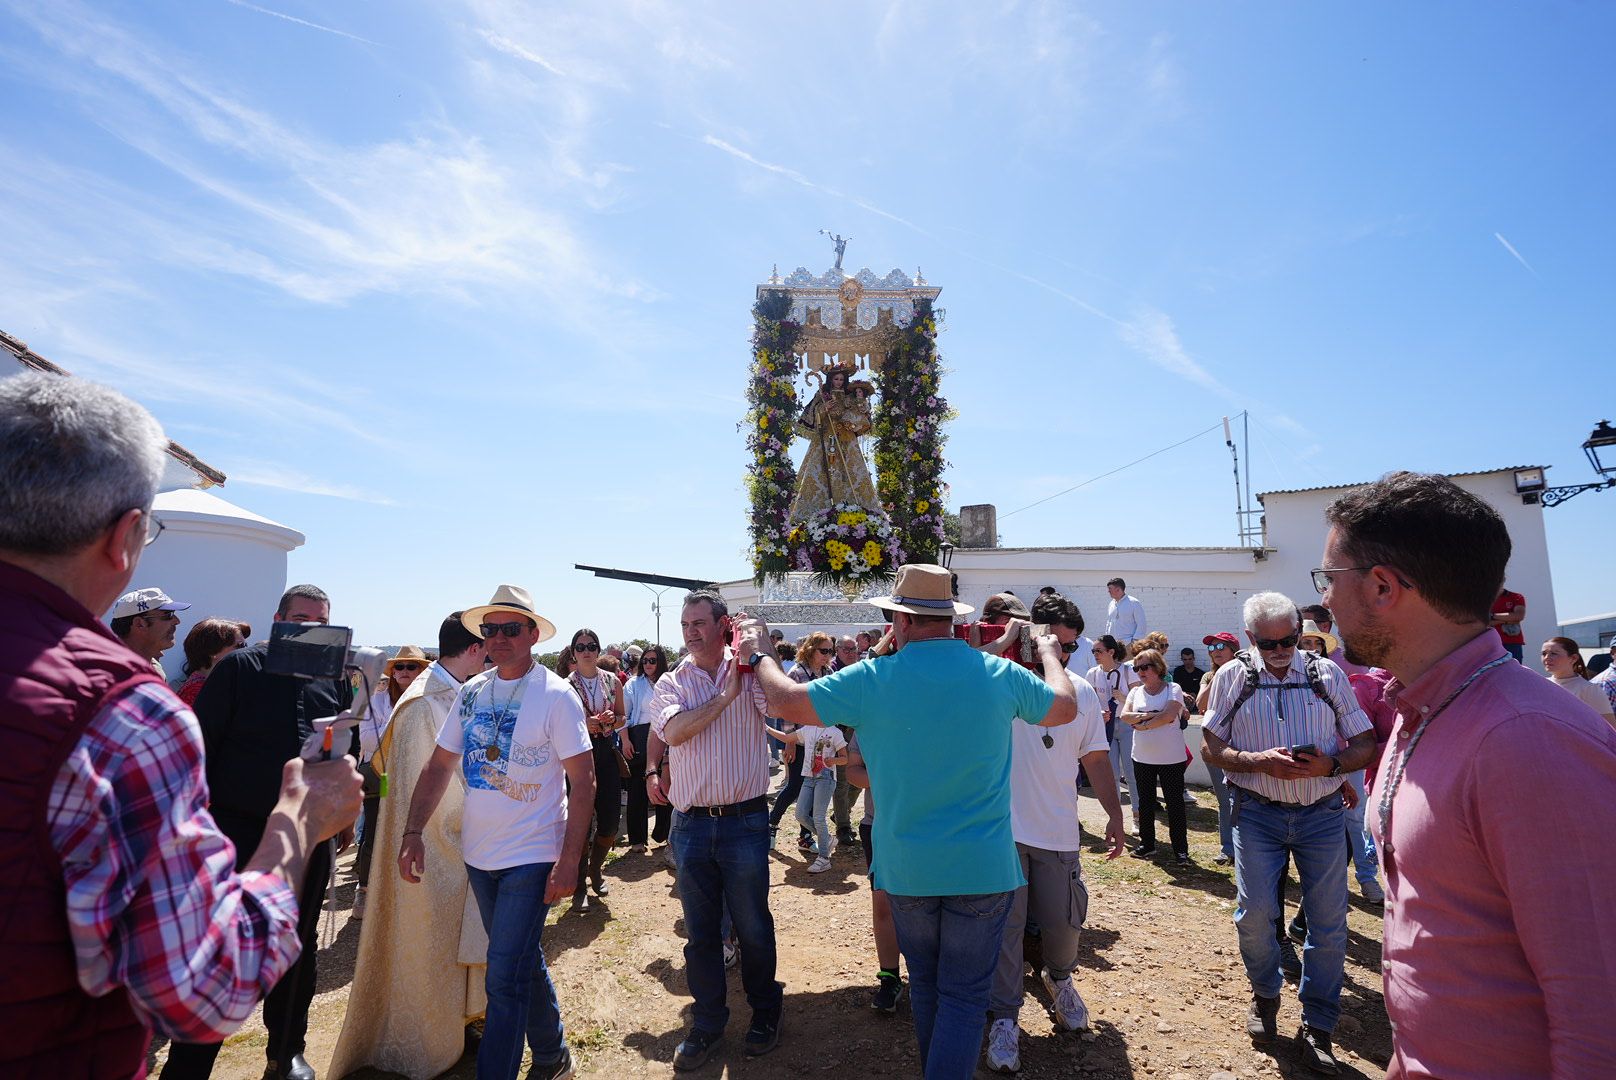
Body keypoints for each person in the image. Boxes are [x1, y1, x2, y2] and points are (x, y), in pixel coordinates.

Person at [0, 372, 361, 1078]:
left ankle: (287, 1053)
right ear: (128, 537)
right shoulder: (123, 711)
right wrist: (296, 822)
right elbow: (202, 988)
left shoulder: (325, 677)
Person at [1316, 471, 1616, 1076]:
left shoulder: (1526, 739)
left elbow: (1600, 1009)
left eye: (1329, 579)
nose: (1324, 600)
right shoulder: (1415, 707)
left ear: (1381, 587)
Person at [742, 563, 1078, 1080]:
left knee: (925, 985)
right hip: (983, 868)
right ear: (950, 620)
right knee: (964, 998)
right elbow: (1063, 707)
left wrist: (761, 651)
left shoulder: (874, 678)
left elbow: (785, 700)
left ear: (898, 621)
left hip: (907, 868)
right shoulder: (996, 674)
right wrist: (1051, 655)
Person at [162, 583, 360, 1080]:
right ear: (278, 619)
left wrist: (339, 819)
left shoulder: (331, 678)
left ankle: (286, 1050)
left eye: (319, 622)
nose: (308, 630)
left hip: (307, 835)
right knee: (221, 948)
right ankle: (190, 1064)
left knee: (299, 942)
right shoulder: (238, 668)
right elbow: (199, 750)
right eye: (299, 619)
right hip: (235, 829)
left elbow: (338, 746)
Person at [399, 585, 594, 1080]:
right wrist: (412, 831)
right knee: (520, 961)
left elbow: (583, 780)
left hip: (533, 855)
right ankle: (553, 1056)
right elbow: (440, 766)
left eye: (511, 629)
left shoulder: (557, 695)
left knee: (502, 978)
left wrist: (569, 860)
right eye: (490, 630)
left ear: (532, 634)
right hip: (479, 856)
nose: (500, 638)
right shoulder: (471, 691)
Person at [1199, 591, 1375, 1074]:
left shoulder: (1324, 673)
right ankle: (1265, 994)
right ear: (1253, 638)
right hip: (1257, 811)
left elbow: (1363, 741)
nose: (1280, 652)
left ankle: (1319, 1024)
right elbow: (1211, 744)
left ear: (1300, 632)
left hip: (1320, 813)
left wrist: (1332, 764)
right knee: (1255, 914)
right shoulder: (1234, 676)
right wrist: (1258, 762)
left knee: (1329, 921)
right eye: (1269, 643)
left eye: (1289, 640)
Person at [328, 615, 491, 1079]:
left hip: (459, 844)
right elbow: (433, 786)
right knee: (429, 944)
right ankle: (431, 1036)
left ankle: (462, 1024)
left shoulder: (451, 690)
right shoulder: (423, 704)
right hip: (435, 850)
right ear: (475, 648)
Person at [985, 593, 1124, 1074]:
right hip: (1001, 832)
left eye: (1068, 647)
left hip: (1058, 831)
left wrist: (1115, 813)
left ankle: (1058, 979)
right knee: (1004, 928)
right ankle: (1005, 1015)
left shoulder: (1082, 692)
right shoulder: (998, 681)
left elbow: (1097, 758)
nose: (1062, 656)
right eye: (1054, 644)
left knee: (1065, 923)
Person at [650, 589, 784, 1071]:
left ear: (723, 625)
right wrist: (726, 697)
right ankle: (708, 1022)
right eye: (685, 623)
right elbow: (675, 732)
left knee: (751, 925)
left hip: (745, 821)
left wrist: (761, 644)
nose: (689, 631)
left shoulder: (749, 669)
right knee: (701, 933)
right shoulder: (672, 680)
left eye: (699, 622)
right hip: (690, 826)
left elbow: (780, 702)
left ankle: (766, 1009)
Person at [1298, 621, 1382, 903]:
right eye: (1305, 643)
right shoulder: (1290, 683)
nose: (1311, 648)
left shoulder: (1338, 676)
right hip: (1314, 759)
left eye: (1315, 643)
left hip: (1347, 756)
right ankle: (1327, 887)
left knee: (1355, 819)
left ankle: (1367, 878)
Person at [351, 645, 430, 919]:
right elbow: (369, 741)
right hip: (380, 775)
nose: (404, 672)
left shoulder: (428, 700)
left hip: (416, 776)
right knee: (372, 831)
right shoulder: (377, 699)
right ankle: (364, 889)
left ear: (421, 670)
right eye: (400, 667)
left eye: (411, 666)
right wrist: (400, 726)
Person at [844, 729, 906, 1014]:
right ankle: (890, 977)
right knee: (883, 906)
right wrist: (890, 779)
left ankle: (927, 977)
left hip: (922, 825)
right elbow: (852, 772)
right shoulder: (868, 720)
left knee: (926, 906)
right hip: (877, 825)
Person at [566, 627, 626, 910]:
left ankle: (596, 869)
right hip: (578, 754)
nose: (586, 651)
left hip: (606, 753)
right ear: (573, 652)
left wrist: (611, 720)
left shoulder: (612, 681)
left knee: (611, 822)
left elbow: (623, 717)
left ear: (598, 650)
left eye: (591, 646)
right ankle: (579, 886)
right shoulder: (566, 685)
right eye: (580, 647)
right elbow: (561, 725)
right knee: (580, 822)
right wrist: (584, 724)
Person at [1121, 648, 1192, 864]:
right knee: (1145, 802)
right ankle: (1147, 844)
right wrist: (1151, 716)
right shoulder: (1135, 692)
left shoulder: (1173, 688)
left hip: (1171, 758)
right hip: (1142, 757)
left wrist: (1142, 725)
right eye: (1136, 668)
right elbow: (1125, 716)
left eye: (1145, 667)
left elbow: (1170, 715)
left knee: (1175, 804)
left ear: (1158, 667)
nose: (1140, 672)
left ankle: (1180, 849)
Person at [790, 361, 879, 521]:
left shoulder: (849, 398)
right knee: (822, 471)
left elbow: (862, 417)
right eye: (836, 379)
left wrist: (857, 408)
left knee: (850, 472)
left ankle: (856, 509)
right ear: (830, 379)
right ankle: (817, 512)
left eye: (841, 380)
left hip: (847, 441)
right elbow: (810, 418)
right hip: (825, 439)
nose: (838, 382)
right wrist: (823, 410)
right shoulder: (822, 396)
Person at [768, 632, 834, 849]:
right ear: (810, 649)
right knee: (794, 786)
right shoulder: (797, 673)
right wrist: (789, 742)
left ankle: (806, 836)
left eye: (830, 651)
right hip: (800, 741)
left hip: (822, 743)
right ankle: (771, 825)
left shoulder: (830, 672)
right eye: (823, 651)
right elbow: (787, 708)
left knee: (815, 789)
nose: (827, 655)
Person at [764, 707, 847, 872]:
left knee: (818, 817)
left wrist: (833, 761)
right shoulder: (808, 729)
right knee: (800, 814)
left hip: (825, 779)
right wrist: (766, 727)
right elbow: (787, 737)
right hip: (809, 778)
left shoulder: (835, 733)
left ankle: (824, 858)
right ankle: (827, 840)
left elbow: (845, 758)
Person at [1087, 634, 1142, 831]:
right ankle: (1116, 819)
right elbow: (1090, 702)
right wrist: (1098, 714)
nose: (1095, 654)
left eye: (1098, 651)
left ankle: (1138, 816)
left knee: (1132, 773)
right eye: (1093, 651)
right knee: (1111, 775)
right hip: (1105, 727)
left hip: (1126, 725)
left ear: (1111, 652)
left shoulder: (1128, 672)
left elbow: (1139, 702)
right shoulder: (1093, 673)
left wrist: (1124, 696)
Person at [1197, 632, 1239, 864]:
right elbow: (1201, 703)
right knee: (1224, 800)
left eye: (1221, 646)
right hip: (1215, 745)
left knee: (1245, 799)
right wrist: (1218, 675)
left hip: (1242, 743)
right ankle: (1228, 848)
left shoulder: (1245, 672)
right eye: (1212, 647)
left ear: (1234, 648)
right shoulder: (1208, 676)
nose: (1216, 650)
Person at [624, 645, 668, 853]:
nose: (648, 664)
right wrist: (625, 740)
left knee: (666, 786)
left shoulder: (669, 682)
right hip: (639, 736)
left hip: (666, 736)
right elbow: (623, 715)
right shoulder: (633, 684)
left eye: (653, 660)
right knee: (637, 790)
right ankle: (637, 839)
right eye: (645, 660)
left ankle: (663, 833)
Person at [109, 585, 191, 672]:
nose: (177, 621)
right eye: (168, 614)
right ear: (139, 624)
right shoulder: (109, 672)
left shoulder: (155, 669)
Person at [1541, 636, 1616, 727]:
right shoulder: (1540, 685)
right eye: (1544, 653)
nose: (1547, 658)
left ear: (1573, 658)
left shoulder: (1589, 689)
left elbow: (1610, 729)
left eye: (1554, 653)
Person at [173, 616, 250, 706]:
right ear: (213, 651)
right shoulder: (198, 691)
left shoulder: (210, 684)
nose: (246, 650)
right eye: (240, 645)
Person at [1487, 584, 1527, 662]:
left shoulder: (1516, 597)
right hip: (1490, 643)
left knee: (1514, 672)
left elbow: (1519, 616)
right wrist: (1509, 619)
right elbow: (1484, 621)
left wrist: (1492, 616)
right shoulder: (1483, 599)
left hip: (1512, 643)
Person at [1103, 577, 1146, 642]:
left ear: (1118, 589)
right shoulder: (1111, 603)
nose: (1108, 591)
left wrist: (1134, 641)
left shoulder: (1134, 603)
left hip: (1128, 644)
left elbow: (1142, 624)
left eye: (1110, 589)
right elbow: (1109, 622)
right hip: (1112, 644)